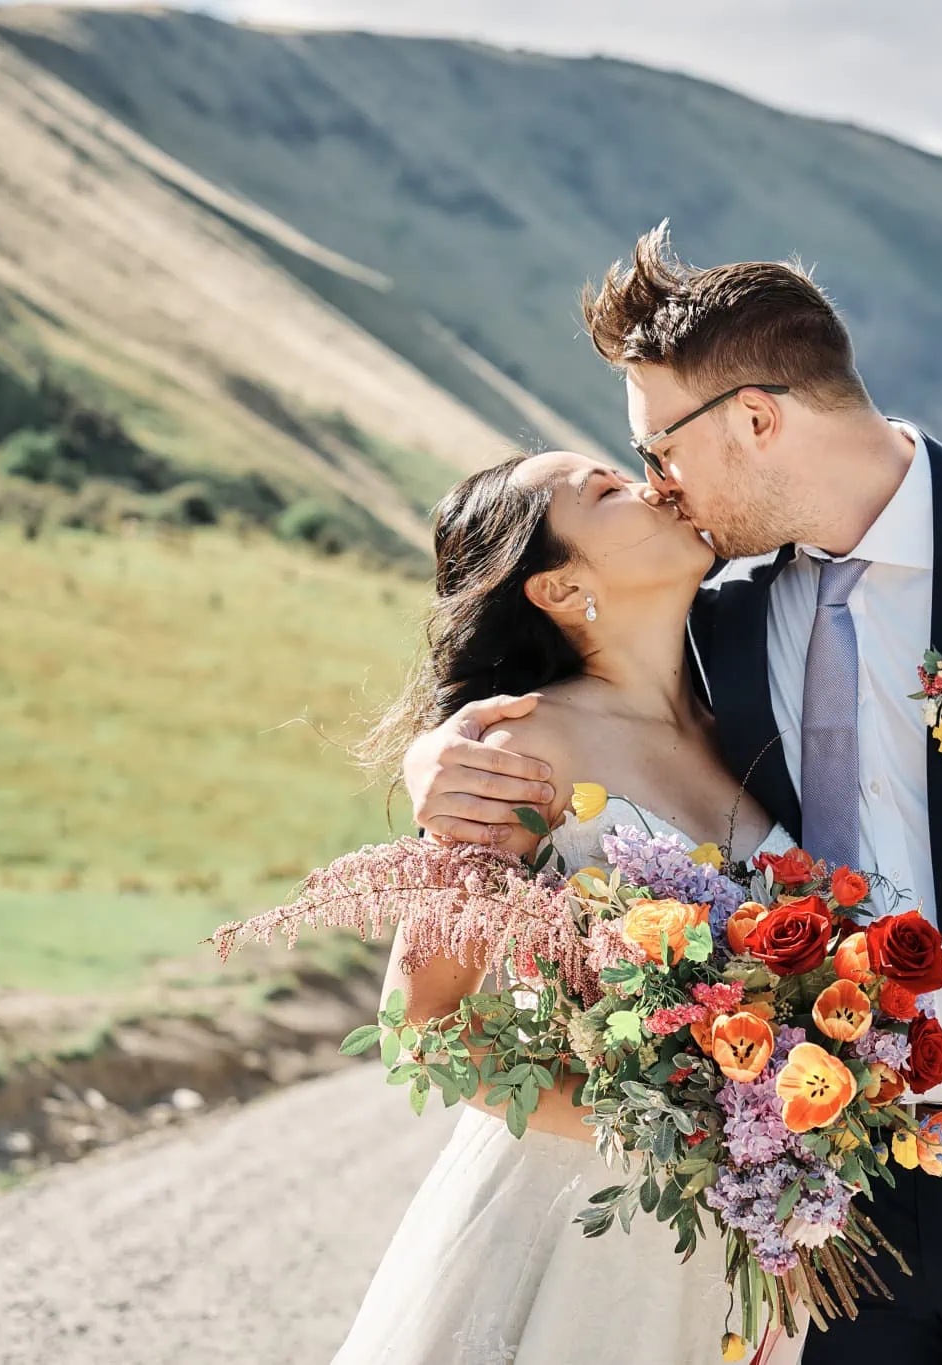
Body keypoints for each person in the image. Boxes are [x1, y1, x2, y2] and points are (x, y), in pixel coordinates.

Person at [402, 225, 942, 1365]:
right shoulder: (719, 614)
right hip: (825, 1213)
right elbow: (577, 714)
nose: (657, 482)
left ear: (756, 420)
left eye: (658, 447)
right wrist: (440, 761)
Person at [330, 450, 806, 1364]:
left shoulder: (744, 721)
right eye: (606, 491)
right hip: (581, 1227)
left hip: (738, 1240)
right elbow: (419, 1026)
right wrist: (677, 1128)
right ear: (559, 587)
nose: (653, 483)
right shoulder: (516, 748)